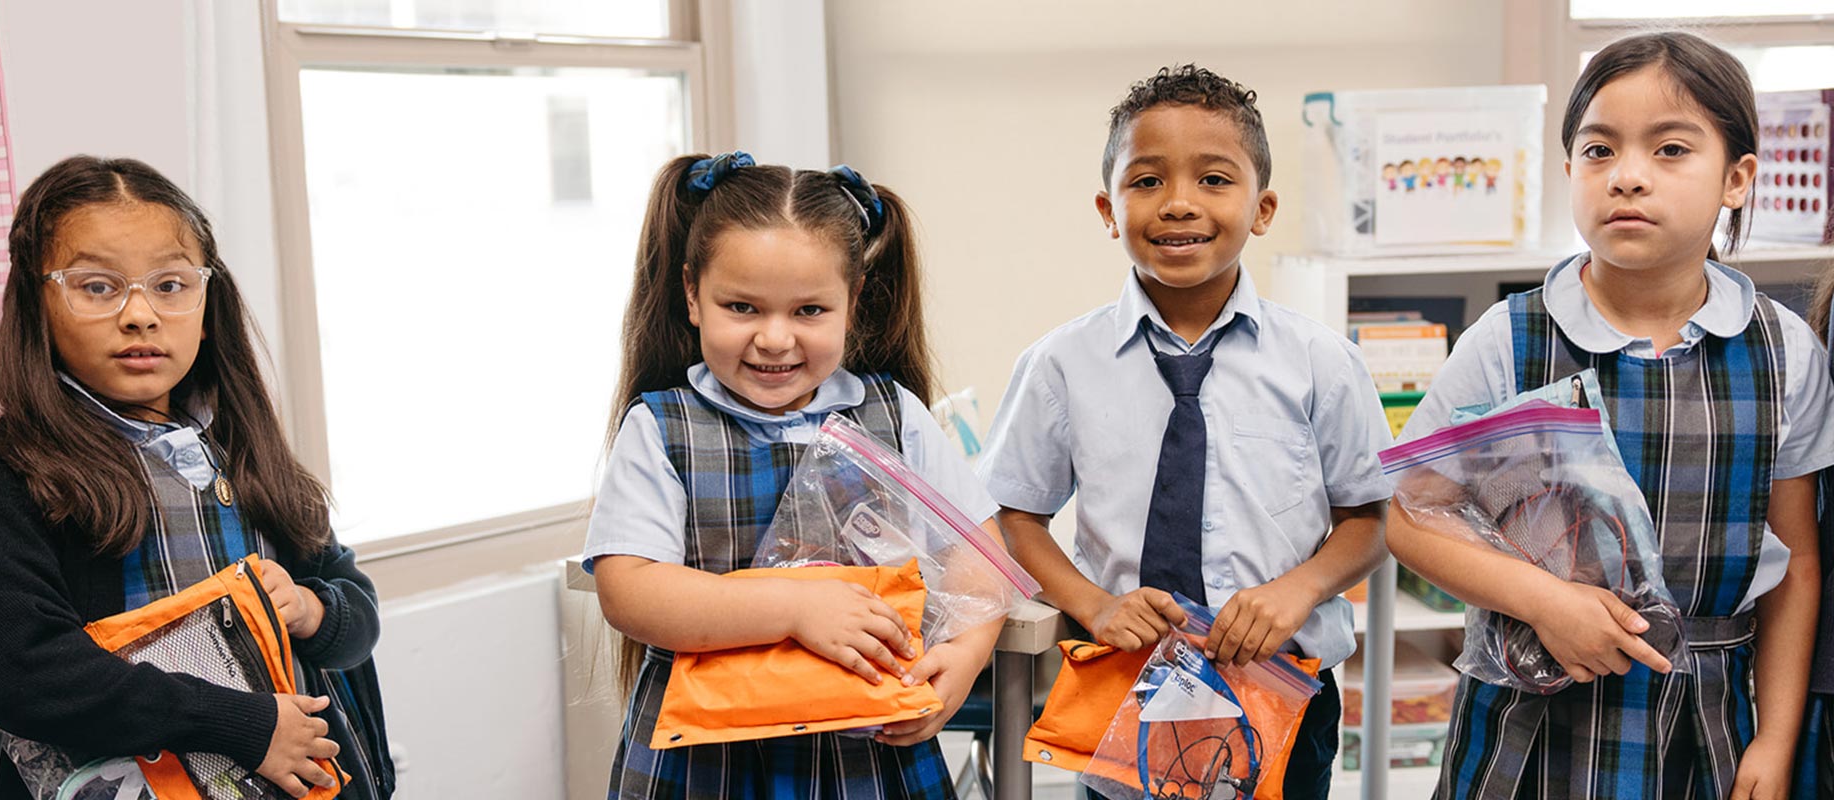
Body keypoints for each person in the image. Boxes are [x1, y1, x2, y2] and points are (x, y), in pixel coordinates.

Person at [1390, 32, 1834, 800]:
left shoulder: (1784, 351)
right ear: (1569, 170)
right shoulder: (1511, 339)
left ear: (1737, 178)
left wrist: (1776, 737)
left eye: (1669, 150)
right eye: (1599, 151)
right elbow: (1405, 514)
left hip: (1706, 724)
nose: (1628, 177)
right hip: (1526, 722)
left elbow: (1795, 563)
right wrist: (1544, 601)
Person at [977, 64, 1395, 799]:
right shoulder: (1060, 365)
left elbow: (1370, 517)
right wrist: (1093, 603)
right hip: (1125, 683)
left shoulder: (1321, 362)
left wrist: (1298, 590)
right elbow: (1017, 515)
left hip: (1283, 687)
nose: (1177, 204)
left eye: (1213, 179)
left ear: (1262, 208)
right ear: (1109, 209)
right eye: (1146, 182)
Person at [0, 156, 390, 799]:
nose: (140, 315)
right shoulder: (9, 470)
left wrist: (313, 610)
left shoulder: (245, 447)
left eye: (171, 285)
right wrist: (245, 723)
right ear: (37, 304)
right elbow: (24, 673)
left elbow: (359, 612)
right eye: (97, 286)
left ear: (207, 307)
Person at [584, 152, 1003, 799]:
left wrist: (967, 655)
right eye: (743, 307)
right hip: (707, 758)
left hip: (863, 756)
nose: (776, 339)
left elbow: (980, 555)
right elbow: (629, 590)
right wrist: (793, 606)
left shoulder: (893, 414)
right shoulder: (661, 427)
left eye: (809, 311)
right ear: (693, 295)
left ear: (852, 300)